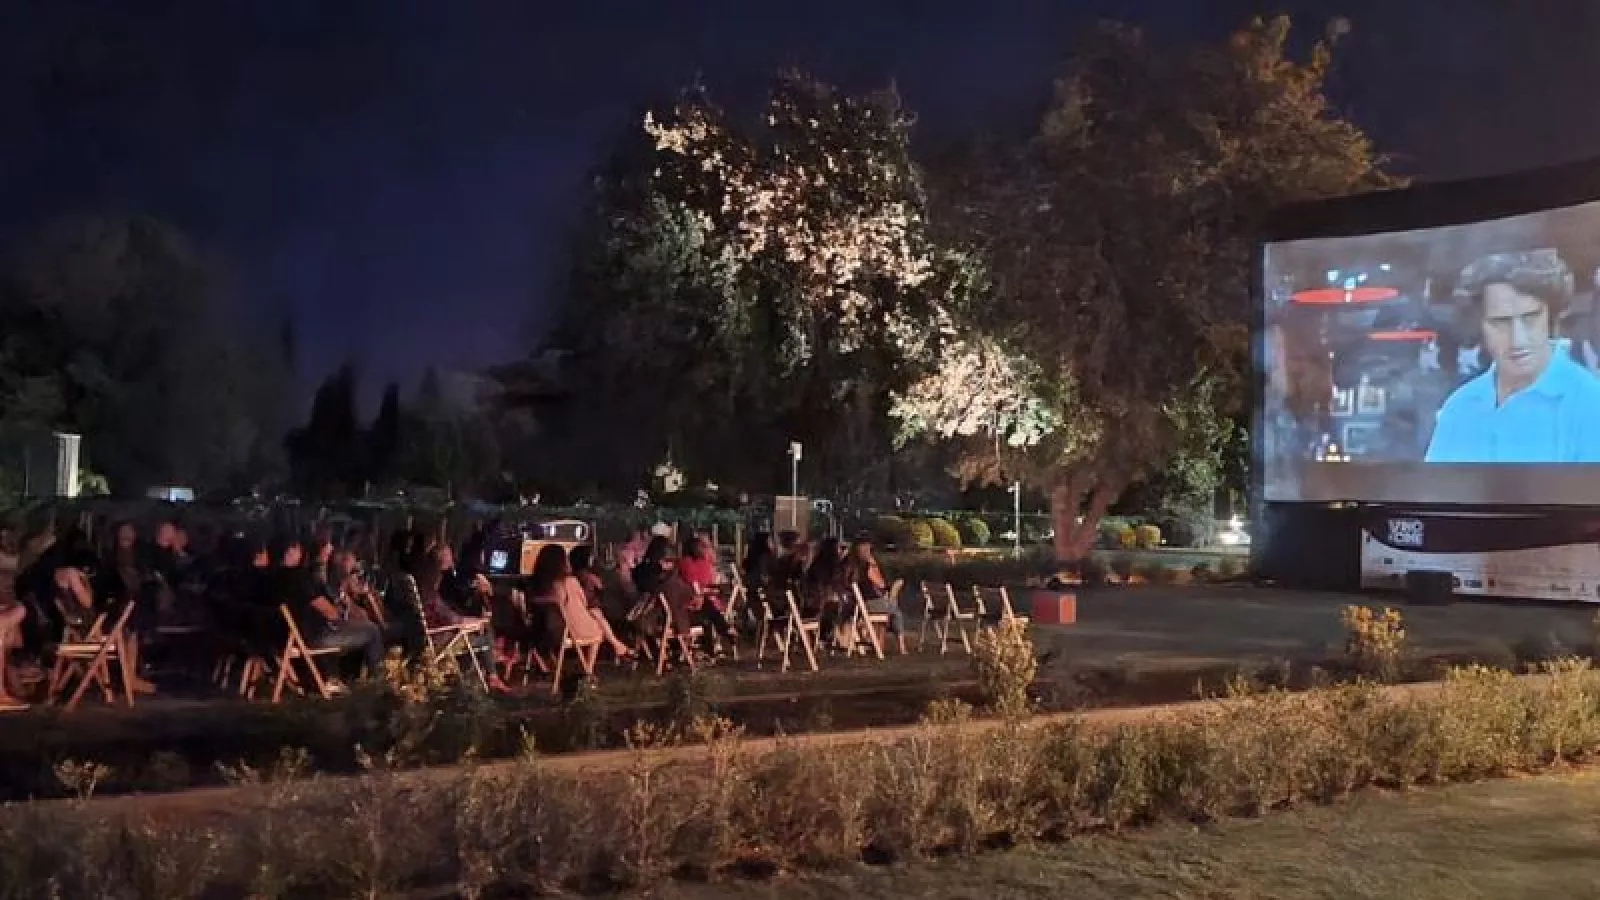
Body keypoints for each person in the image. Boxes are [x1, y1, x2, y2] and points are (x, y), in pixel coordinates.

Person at [1426, 249, 1600, 462]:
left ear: (1550, 317)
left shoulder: (1590, 403)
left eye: (1530, 318)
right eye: (1501, 322)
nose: (1518, 340)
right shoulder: (1459, 406)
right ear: (1479, 326)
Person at [527, 544, 631, 659]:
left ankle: (616, 645)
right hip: (565, 631)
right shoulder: (568, 582)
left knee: (596, 613)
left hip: (538, 632)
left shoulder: (534, 584)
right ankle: (592, 665)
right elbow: (580, 605)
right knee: (598, 624)